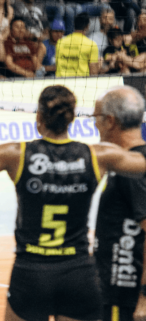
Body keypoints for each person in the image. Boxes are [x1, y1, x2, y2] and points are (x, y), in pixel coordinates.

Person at [0, 85, 146, 321]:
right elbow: (141, 158)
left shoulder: (15, 154)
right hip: (78, 272)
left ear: (39, 117)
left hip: (32, 273)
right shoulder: (98, 156)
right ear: (72, 119)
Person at [93, 86, 146, 321]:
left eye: (96, 118)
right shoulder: (133, 161)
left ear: (110, 121)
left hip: (124, 293)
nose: (95, 125)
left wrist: (144, 296)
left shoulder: (131, 169)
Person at [56, 13, 100, 77]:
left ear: (74, 24)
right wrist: (98, 67)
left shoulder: (60, 42)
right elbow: (93, 72)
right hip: (80, 82)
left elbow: (57, 64)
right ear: (87, 26)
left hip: (61, 81)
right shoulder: (91, 44)